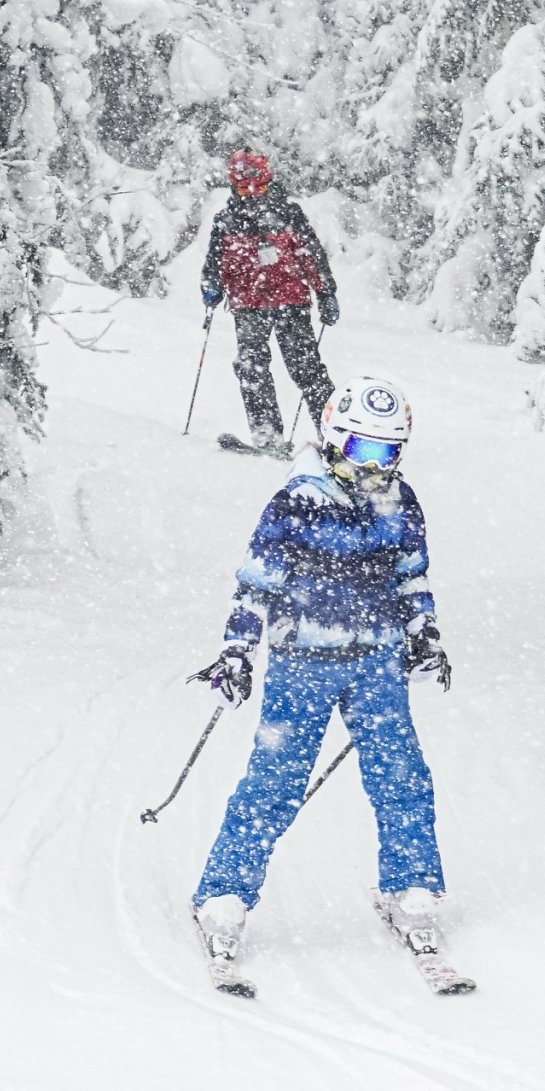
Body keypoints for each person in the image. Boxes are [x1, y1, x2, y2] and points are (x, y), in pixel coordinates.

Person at [190, 375, 458, 986]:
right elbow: (255, 582)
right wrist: (237, 649)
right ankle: (224, 897)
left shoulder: (401, 501)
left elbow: (411, 576)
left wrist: (425, 634)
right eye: (366, 450)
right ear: (336, 440)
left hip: (378, 664)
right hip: (302, 663)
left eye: (390, 452)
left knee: (402, 778)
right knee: (274, 783)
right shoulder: (297, 502)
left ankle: (412, 888)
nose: (378, 465)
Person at [201, 149, 337, 453]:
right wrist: (211, 287)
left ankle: (336, 436)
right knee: (251, 367)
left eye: (258, 187)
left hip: (290, 303)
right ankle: (267, 435)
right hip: (248, 305)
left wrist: (326, 292)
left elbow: (312, 256)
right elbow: (214, 262)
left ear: (268, 180)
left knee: (307, 370)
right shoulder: (225, 220)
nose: (251, 194)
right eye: (242, 188)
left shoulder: (288, 213)